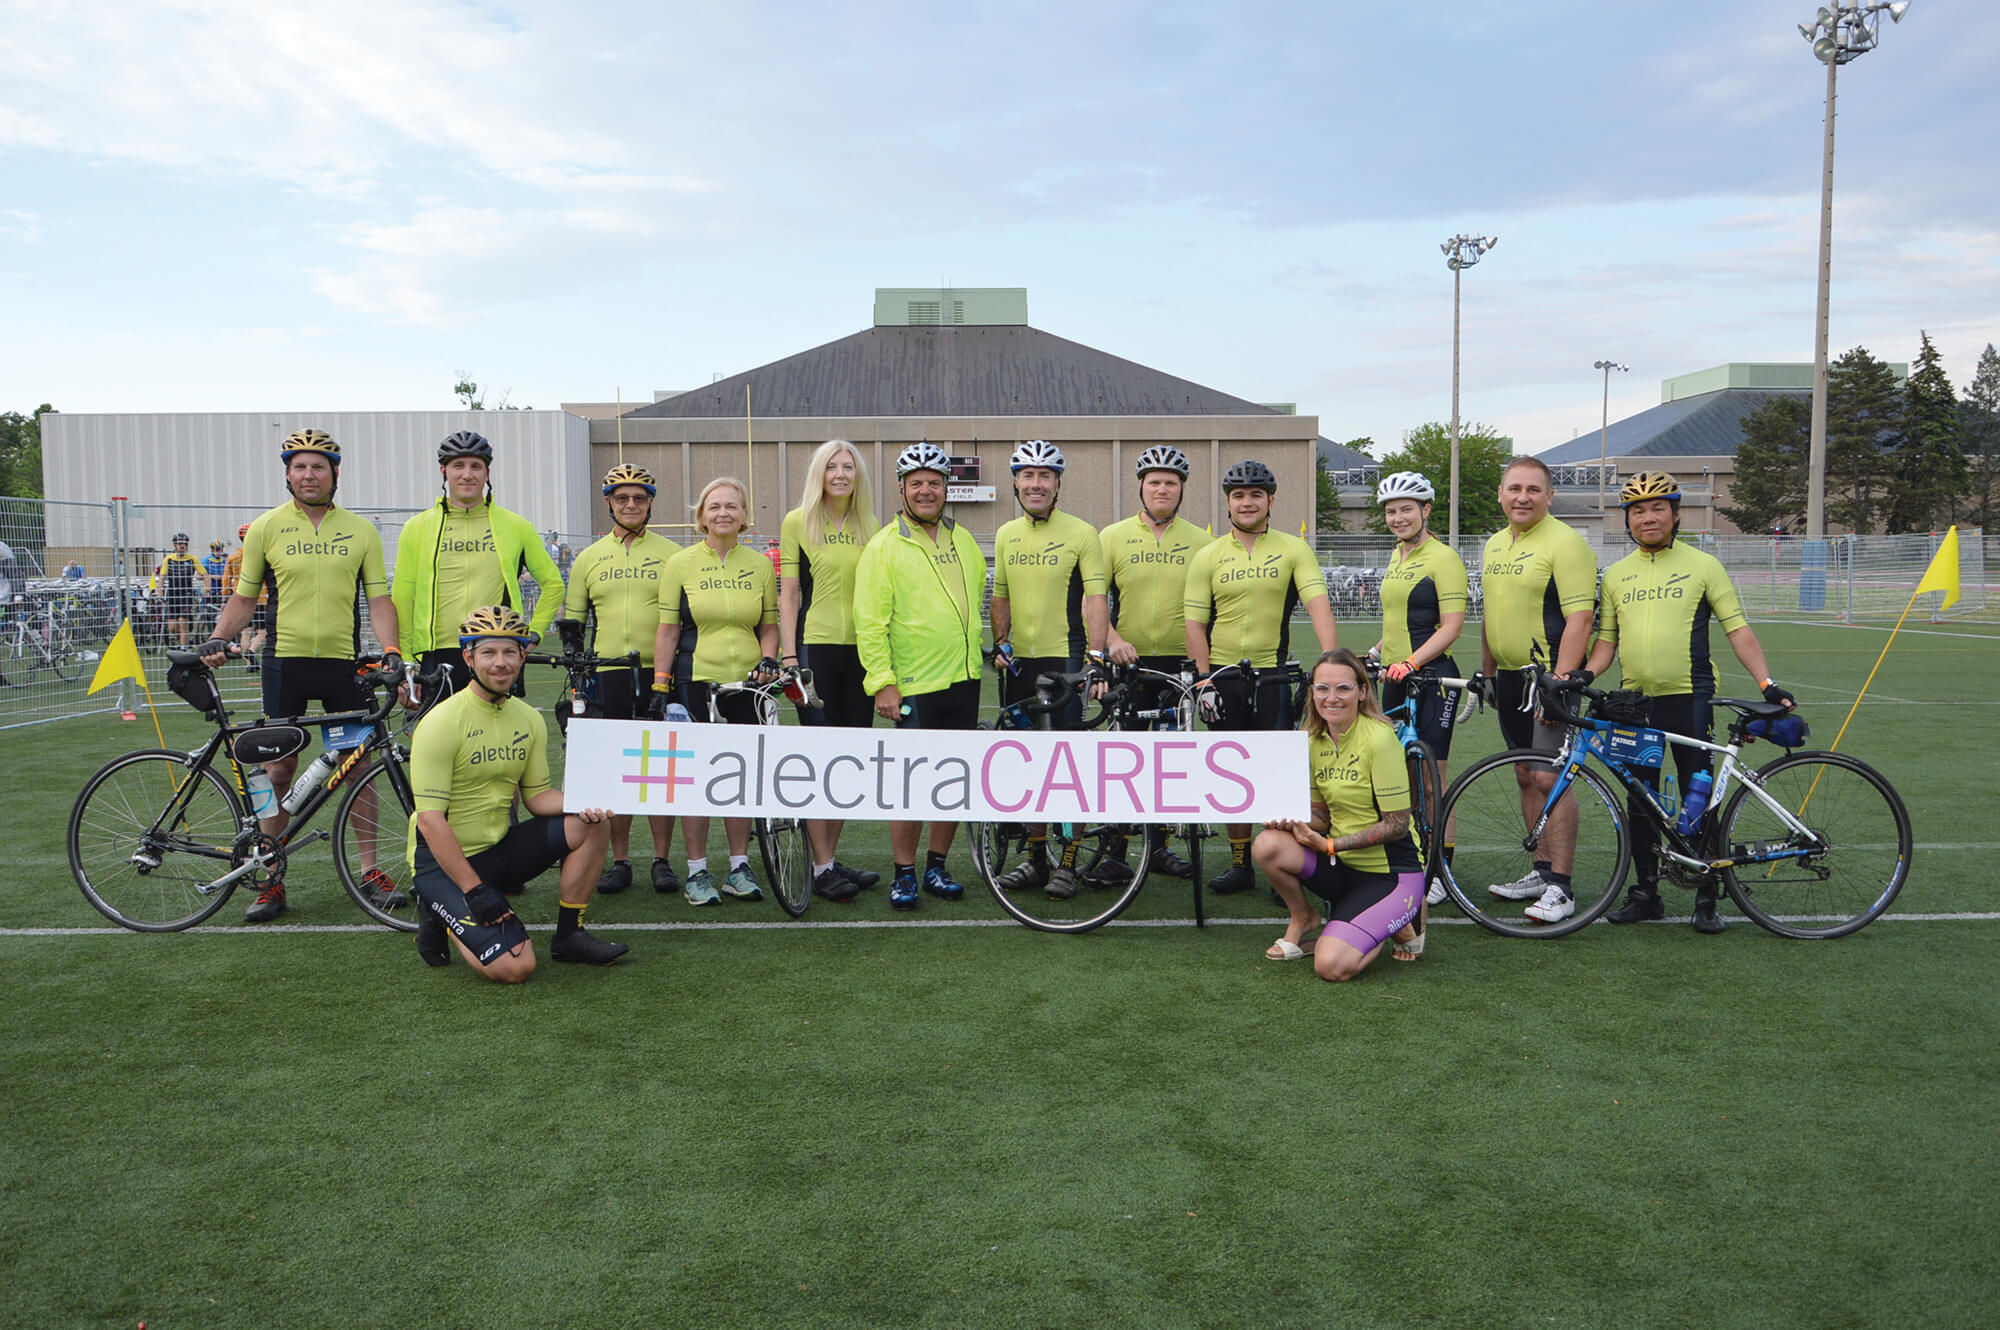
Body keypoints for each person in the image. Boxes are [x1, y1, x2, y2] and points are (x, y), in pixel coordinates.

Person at [199, 429, 403, 923]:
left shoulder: (360, 531)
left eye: (319, 466)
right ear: (287, 473)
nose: (308, 475)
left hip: (342, 665)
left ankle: (371, 871)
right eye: (299, 467)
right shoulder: (268, 527)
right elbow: (246, 598)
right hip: (284, 665)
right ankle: (270, 877)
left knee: (356, 767)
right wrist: (216, 637)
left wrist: (392, 650)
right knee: (279, 770)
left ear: (335, 472)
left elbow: (378, 598)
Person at [1585, 472, 1797, 934]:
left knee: (1696, 794)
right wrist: (1582, 673)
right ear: (1628, 520)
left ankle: (1707, 895)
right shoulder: (1617, 575)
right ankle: (1645, 894)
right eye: (1637, 510)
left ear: (1676, 514)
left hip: (1690, 698)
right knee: (1639, 798)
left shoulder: (1704, 566)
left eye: (1657, 507)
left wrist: (1766, 682)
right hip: (1634, 703)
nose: (1647, 517)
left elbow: (1737, 628)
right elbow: (1605, 643)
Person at [408, 605, 626, 979]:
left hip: (499, 849)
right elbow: (429, 822)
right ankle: (437, 910)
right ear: (469, 657)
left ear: (523, 655)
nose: (500, 663)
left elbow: (537, 797)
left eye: (510, 652)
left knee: (592, 823)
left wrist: (589, 800)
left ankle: (569, 935)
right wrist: (475, 891)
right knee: (516, 968)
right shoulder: (440, 723)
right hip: (443, 863)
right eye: (488, 652)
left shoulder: (527, 717)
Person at [1184, 459, 1339, 895]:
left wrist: (1331, 662)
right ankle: (1240, 864)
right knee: (1230, 773)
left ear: (1271, 500)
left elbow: (1318, 606)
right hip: (1222, 675)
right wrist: (1202, 681)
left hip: (1273, 675)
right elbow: (1194, 624)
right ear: (1228, 502)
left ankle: (1280, 860)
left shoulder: (1293, 549)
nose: (1246, 502)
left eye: (1256, 495)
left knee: (1277, 775)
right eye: (1238, 495)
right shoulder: (1208, 555)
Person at [852, 442, 986, 910]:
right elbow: (870, 621)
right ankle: (904, 872)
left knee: (952, 781)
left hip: (964, 680)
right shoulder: (885, 545)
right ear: (902, 489)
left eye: (934, 483)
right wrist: (882, 682)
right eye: (917, 484)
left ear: (947, 488)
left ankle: (937, 865)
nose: (926, 491)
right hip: (915, 685)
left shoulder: (963, 539)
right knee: (911, 785)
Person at [1252, 648, 1426, 980]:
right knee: (1268, 843)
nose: (1332, 698)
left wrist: (1329, 846)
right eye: (1322, 688)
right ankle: (1304, 918)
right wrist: (1294, 823)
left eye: (1343, 688)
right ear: (1311, 692)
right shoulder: (1314, 740)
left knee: (1331, 966)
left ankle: (1394, 921)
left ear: (1362, 692)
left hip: (1391, 875)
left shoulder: (1380, 738)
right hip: (1342, 867)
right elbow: (1322, 817)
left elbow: (1397, 825)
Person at [1478, 455, 1600, 925]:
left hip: (1550, 677)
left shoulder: (1566, 544)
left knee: (1551, 777)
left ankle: (1562, 888)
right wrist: (1487, 672)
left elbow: (1580, 618)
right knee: (1526, 774)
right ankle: (1541, 870)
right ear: (1501, 494)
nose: (1522, 497)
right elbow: (1491, 613)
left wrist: (1559, 683)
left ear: (1549, 496)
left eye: (1533, 489)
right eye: (1514, 489)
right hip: (1510, 677)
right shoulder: (1494, 545)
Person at [988, 439, 1110, 900]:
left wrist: (1095, 659)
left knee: (1069, 765)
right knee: (1026, 763)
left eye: (1045, 476)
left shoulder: (1082, 532)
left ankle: (1071, 861)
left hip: (1067, 662)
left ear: (1058, 483)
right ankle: (1036, 858)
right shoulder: (1005, 533)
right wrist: (1001, 642)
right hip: (1020, 665)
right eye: (1027, 475)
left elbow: (1095, 598)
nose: (1035, 484)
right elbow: (1000, 594)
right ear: (1016, 482)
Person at [651, 477, 778, 907]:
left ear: (745, 515)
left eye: (732, 506)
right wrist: (660, 684)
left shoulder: (760, 564)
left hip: (745, 685)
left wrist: (768, 658)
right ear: (701, 516)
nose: (723, 513)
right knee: (697, 778)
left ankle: (739, 867)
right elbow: (668, 631)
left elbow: (769, 625)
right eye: (714, 506)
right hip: (694, 682)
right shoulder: (680, 563)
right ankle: (697, 871)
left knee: (738, 776)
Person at [562, 463, 682, 897]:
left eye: (639, 498)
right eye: (621, 498)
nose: (630, 505)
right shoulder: (589, 558)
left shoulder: (672, 554)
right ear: (609, 503)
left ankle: (663, 860)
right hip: (608, 672)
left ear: (650, 502)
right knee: (617, 774)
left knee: (662, 771)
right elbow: (573, 622)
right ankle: (620, 860)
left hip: (659, 674)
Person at [1099, 445, 1211, 881]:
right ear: (1141, 488)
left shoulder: (1202, 541)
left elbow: (1210, 609)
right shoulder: (1111, 536)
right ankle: (1116, 849)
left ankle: (1161, 847)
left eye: (1170, 482)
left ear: (1182, 489)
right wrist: (1111, 640)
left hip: (1179, 666)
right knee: (1125, 758)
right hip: (1129, 663)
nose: (1162, 489)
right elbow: (1094, 599)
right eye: (1154, 483)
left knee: (1171, 760)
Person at [777, 438, 882, 903]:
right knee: (823, 758)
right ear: (818, 473)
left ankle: (830, 859)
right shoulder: (798, 522)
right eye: (832, 466)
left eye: (848, 467)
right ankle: (821, 869)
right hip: (815, 652)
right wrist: (788, 656)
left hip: (861, 655)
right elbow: (790, 595)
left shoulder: (871, 525)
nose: (840, 474)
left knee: (850, 760)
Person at [392, 430, 563, 697]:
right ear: (443, 471)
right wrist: (405, 662)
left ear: (487, 473)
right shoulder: (417, 527)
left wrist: (532, 635)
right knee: (435, 738)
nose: (467, 474)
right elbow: (402, 597)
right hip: (435, 654)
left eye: (476, 466)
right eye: (458, 465)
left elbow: (553, 585)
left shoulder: (516, 526)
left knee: (498, 738)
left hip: (495, 650)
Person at [1368, 471, 1469, 907]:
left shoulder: (1443, 558)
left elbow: (1452, 626)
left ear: (1426, 510)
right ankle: (1410, 859)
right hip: (1395, 675)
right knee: (1402, 775)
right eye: (1391, 511)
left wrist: (1412, 662)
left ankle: (1441, 869)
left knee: (1432, 778)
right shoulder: (1397, 555)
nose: (1398, 517)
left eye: (1406, 509)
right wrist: (1373, 653)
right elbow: (1397, 623)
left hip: (1430, 678)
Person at [222, 522, 268, 669]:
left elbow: (226, 579)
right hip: (259, 597)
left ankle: (249, 664)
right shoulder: (261, 555)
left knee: (245, 632)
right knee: (263, 631)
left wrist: (224, 596)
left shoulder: (233, 557)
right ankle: (252, 650)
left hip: (240, 596)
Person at [150, 532, 201, 647]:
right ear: (175, 545)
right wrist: (159, 595)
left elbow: (205, 574)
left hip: (186, 595)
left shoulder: (192, 559)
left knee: (183, 623)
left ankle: (184, 649)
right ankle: (186, 639)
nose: (182, 546)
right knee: (172, 627)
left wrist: (207, 589)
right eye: (179, 544)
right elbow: (162, 578)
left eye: (184, 544)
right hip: (172, 596)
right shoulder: (168, 560)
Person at [201, 540, 228, 613]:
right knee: (205, 613)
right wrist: (211, 576)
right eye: (217, 550)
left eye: (221, 550)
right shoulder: (206, 560)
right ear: (212, 550)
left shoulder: (224, 561)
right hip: (210, 590)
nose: (219, 552)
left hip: (221, 590)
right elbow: (198, 576)